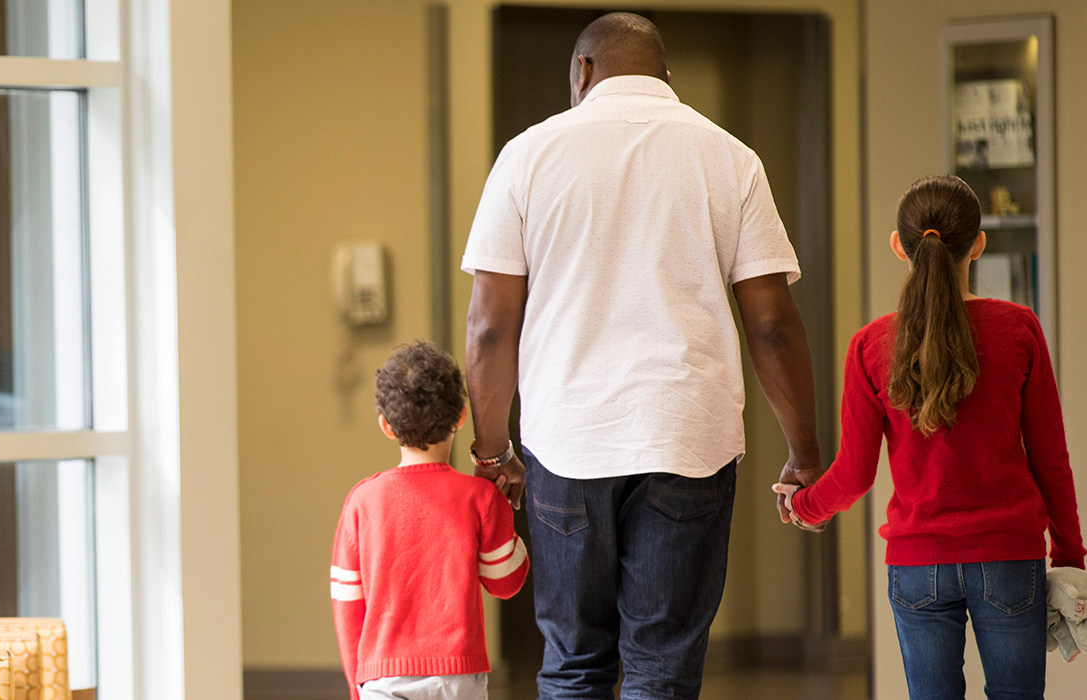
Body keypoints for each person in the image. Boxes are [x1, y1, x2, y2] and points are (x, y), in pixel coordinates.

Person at [460, 12, 825, 699]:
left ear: (582, 71)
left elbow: (487, 327)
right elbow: (772, 324)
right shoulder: (728, 157)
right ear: (665, 76)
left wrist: (489, 454)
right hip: (687, 440)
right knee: (661, 666)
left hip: (565, 444)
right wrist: (804, 454)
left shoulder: (527, 155)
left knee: (572, 663)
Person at [780, 174, 1083, 700]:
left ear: (900, 246)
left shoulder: (869, 345)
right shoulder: (1019, 329)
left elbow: (853, 475)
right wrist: (1072, 557)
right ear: (979, 244)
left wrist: (806, 505)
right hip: (1011, 559)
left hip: (919, 566)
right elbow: (1050, 459)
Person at [331, 341, 528, 700]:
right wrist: (500, 511)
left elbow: (346, 602)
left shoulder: (362, 501)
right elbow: (505, 582)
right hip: (459, 675)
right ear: (461, 417)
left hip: (383, 676)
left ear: (386, 426)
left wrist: (355, 683)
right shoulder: (480, 497)